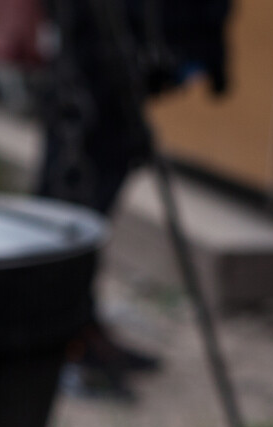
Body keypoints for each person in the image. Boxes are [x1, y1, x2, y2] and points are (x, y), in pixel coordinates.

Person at [35, 0, 230, 396]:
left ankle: (79, 325)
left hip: (128, 38)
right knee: (72, 196)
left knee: (105, 174)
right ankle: (55, 339)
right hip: (92, 44)